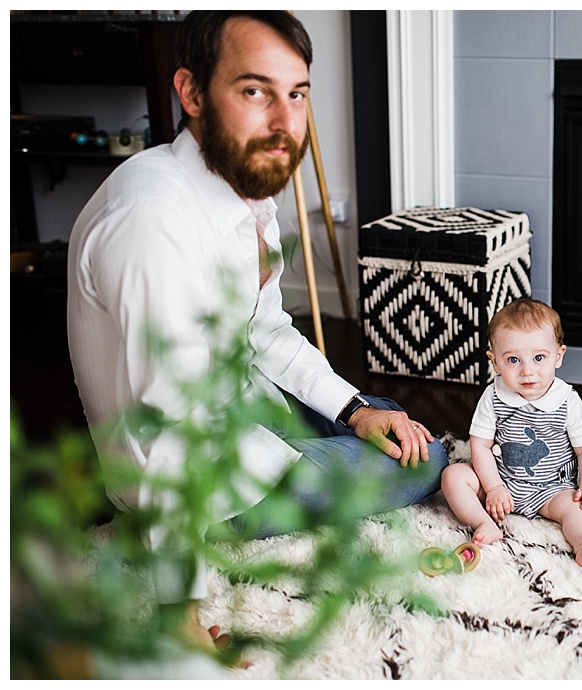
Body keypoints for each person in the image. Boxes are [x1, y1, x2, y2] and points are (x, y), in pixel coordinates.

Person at [66, 11, 448, 652]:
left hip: (244, 408)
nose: (284, 122)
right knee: (427, 458)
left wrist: (354, 411)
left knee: (384, 422)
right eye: (254, 91)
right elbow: (160, 435)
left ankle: (353, 423)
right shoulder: (153, 222)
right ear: (190, 94)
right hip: (209, 481)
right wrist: (176, 615)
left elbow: (266, 328)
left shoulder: (242, 186)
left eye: (296, 93)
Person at [441, 299, 582, 569]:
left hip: (553, 488)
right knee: (452, 476)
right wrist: (494, 488)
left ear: (557, 356)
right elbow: (480, 446)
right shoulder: (493, 396)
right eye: (513, 359)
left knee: (575, 510)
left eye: (539, 358)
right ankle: (484, 523)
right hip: (502, 479)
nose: (527, 370)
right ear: (495, 361)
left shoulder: (567, 400)